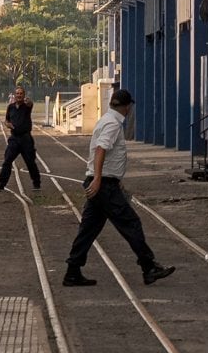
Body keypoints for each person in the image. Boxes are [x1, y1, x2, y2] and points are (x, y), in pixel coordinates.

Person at [63, 88, 173, 287]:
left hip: (103, 182)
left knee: (88, 229)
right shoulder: (113, 124)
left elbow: (106, 153)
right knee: (131, 223)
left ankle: (72, 271)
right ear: (127, 106)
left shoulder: (106, 119)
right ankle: (149, 267)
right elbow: (100, 149)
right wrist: (98, 179)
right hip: (103, 185)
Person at [0, 85, 42, 192]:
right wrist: (8, 124)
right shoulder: (10, 107)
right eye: (17, 94)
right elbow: (6, 120)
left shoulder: (27, 106)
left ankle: (36, 183)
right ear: (14, 95)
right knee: (7, 161)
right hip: (14, 139)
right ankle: (0, 185)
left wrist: (29, 101)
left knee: (30, 162)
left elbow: (30, 103)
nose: (19, 95)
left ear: (24, 95)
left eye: (21, 93)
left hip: (26, 139)